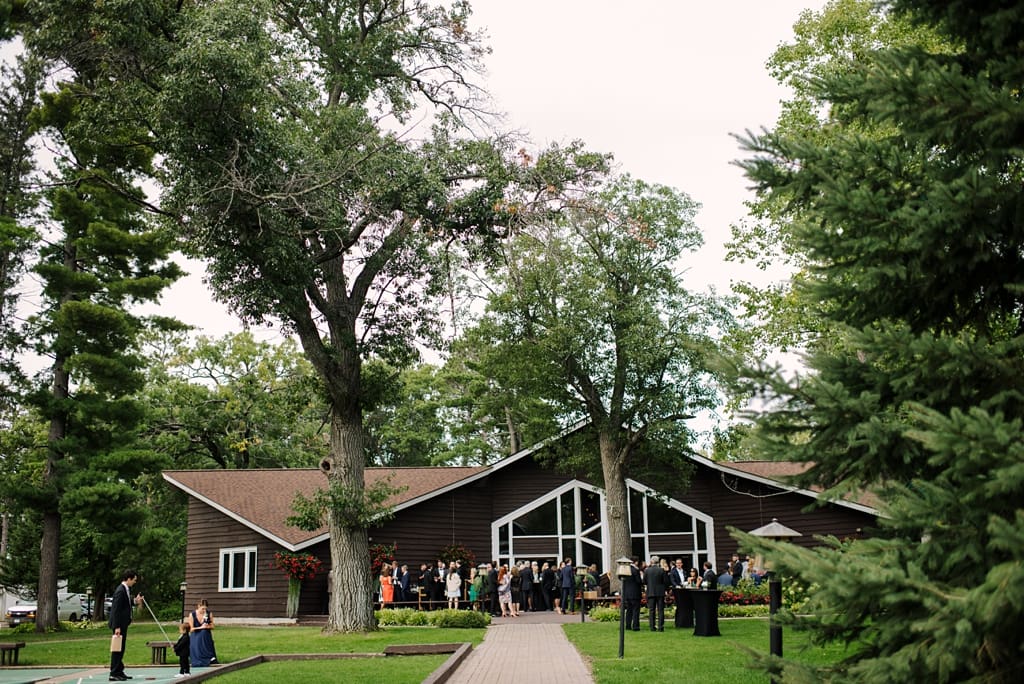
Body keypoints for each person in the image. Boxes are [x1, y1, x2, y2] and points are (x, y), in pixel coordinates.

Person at [108, 569, 143, 682]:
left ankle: (119, 670)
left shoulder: (125, 589)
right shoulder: (120, 590)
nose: (135, 582)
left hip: (123, 624)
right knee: (117, 648)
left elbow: (125, 604)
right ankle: (113, 673)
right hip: (119, 625)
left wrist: (135, 601)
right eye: (134, 580)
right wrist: (117, 626)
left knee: (121, 648)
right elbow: (116, 610)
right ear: (129, 579)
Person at [188, 600, 217, 667]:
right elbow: (191, 629)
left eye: (205, 609)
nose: (204, 610)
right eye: (202, 609)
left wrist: (207, 626)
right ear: (198, 606)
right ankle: (201, 658)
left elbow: (212, 626)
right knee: (202, 633)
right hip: (195, 633)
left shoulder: (209, 614)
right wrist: (200, 627)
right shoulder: (192, 614)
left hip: (205, 634)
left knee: (204, 632)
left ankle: (208, 657)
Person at [644, 554, 668, 631]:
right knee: (660, 610)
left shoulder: (647, 570)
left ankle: (652, 626)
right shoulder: (661, 570)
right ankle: (661, 626)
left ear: (652, 561)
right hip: (660, 592)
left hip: (651, 591)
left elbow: (644, 581)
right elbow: (665, 581)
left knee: (652, 610)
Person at [621, 556, 643, 632]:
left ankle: (628, 625)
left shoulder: (625, 570)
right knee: (636, 610)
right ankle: (635, 626)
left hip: (627, 593)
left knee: (629, 610)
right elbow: (639, 581)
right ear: (636, 562)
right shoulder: (635, 570)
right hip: (635, 593)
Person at [670, 558, 692, 628]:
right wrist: (676, 586)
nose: (679, 564)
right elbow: (672, 581)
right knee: (679, 606)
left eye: (680, 563)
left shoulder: (684, 572)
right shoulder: (673, 572)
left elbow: (686, 580)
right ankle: (678, 622)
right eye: (677, 563)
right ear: (676, 564)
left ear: (682, 564)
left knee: (685, 606)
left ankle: (686, 622)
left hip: (684, 590)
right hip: (677, 591)